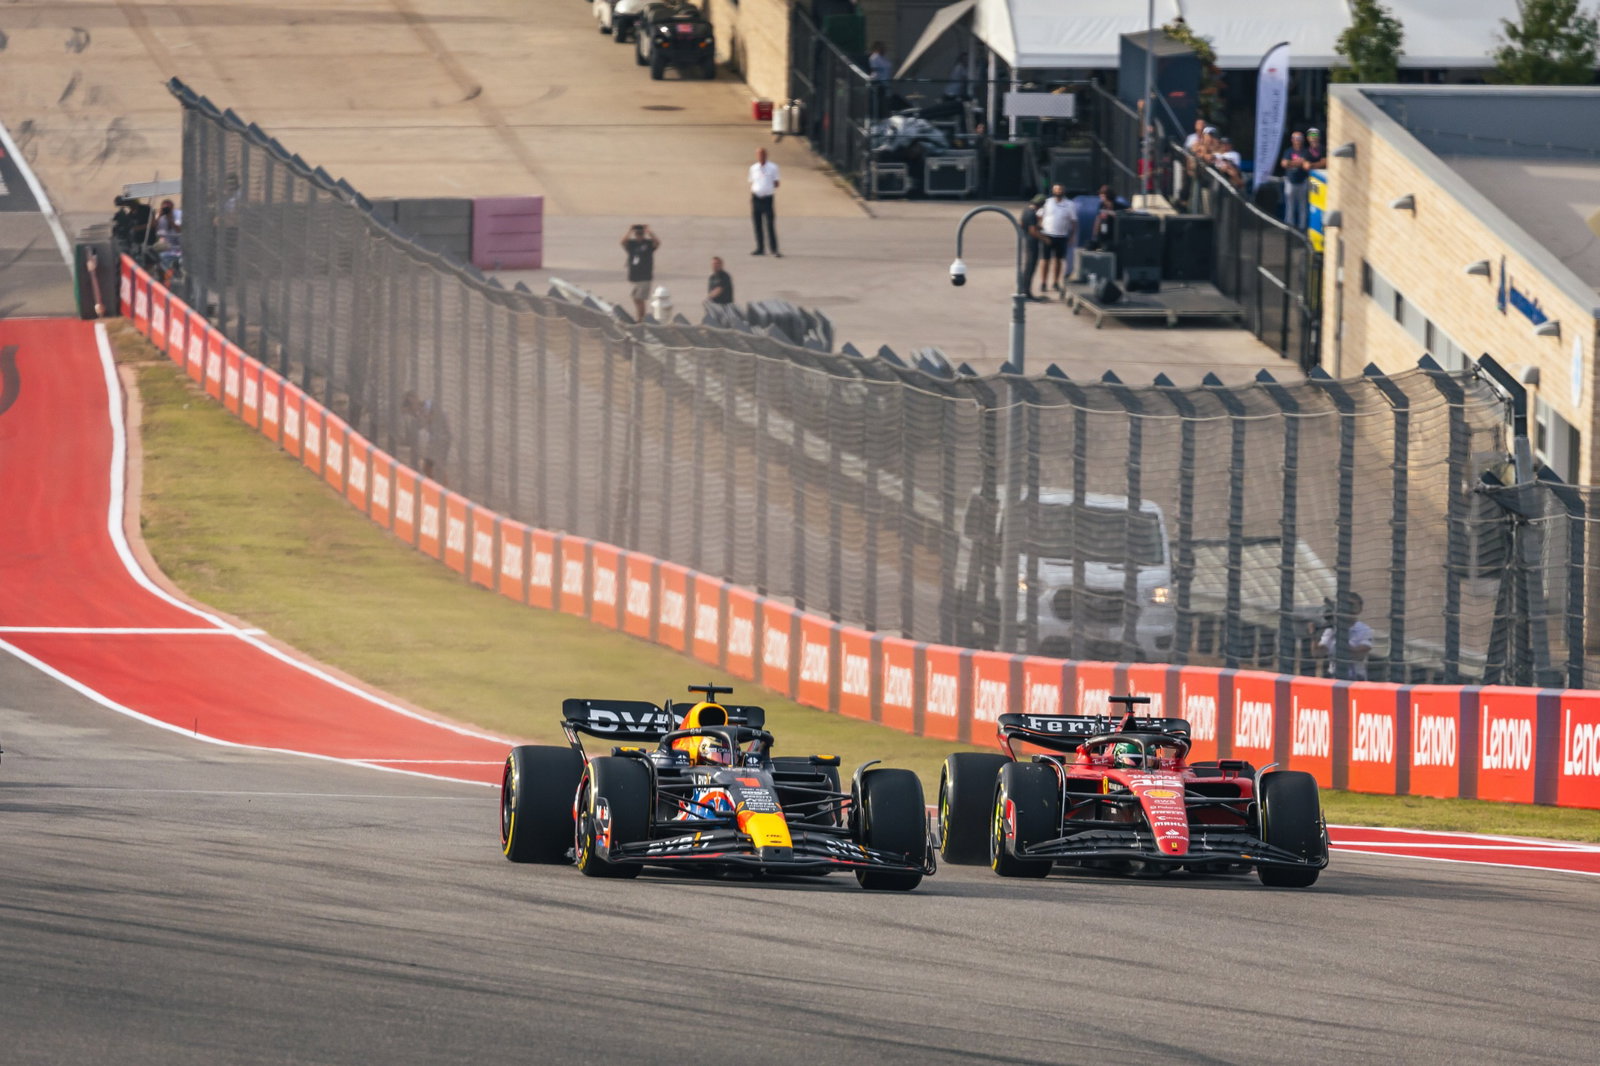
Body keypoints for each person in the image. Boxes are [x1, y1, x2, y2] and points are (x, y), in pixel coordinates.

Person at [1312, 592, 1374, 681]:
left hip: (1355, 678)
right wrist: (1314, 635)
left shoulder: (1364, 630)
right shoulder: (1331, 629)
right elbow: (1317, 654)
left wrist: (1342, 631)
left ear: (1359, 609)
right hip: (1333, 676)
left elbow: (1358, 655)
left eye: (1351, 605)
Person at [401, 391, 453, 484]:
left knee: (438, 466)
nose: (410, 410)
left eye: (410, 404)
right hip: (434, 441)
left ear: (415, 398)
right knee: (428, 467)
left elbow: (436, 421)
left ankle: (444, 488)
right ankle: (434, 486)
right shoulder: (418, 413)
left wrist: (422, 417)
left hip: (443, 439)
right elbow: (422, 426)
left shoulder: (431, 405)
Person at [1038, 183, 1076, 294]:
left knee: (1058, 260)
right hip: (1047, 235)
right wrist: (1040, 229)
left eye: (1060, 190)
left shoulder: (1069, 204)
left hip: (1062, 236)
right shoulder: (1047, 202)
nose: (1058, 192)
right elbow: (1039, 216)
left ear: (1063, 191)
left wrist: (1072, 236)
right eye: (1056, 190)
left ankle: (1055, 282)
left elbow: (1073, 221)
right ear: (1053, 191)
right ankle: (1043, 282)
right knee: (1045, 260)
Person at [620, 223, 660, 321]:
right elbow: (623, 242)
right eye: (638, 234)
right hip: (634, 276)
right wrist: (630, 230)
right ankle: (640, 317)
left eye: (641, 234)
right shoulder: (632, 244)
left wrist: (649, 232)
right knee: (635, 298)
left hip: (645, 276)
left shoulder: (648, 244)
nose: (639, 236)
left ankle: (641, 319)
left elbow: (657, 243)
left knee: (640, 299)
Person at [748, 147, 781, 257]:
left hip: (767, 198)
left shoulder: (772, 167)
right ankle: (760, 248)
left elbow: (776, 182)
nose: (761, 157)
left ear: (766, 156)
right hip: (756, 198)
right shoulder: (753, 168)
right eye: (759, 155)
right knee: (757, 224)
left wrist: (768, 188)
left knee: (770, 223)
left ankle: (774, 248)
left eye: (762, 155)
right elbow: (751, 181)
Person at [1280, 131, 1313, 229]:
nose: (1298, 141)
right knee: (1290, 206)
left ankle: (1302, 228)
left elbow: (1306, 164)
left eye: (1300, 139)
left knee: (1302, 206)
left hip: (1302, 181)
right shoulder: (1288, 151)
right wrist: (1298, 162)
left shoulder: (1306, 151)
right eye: (1296, 138)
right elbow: (1284, 164)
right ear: (1292, 140)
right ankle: (1289, 227)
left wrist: (1291, 163)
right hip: (1290, 181)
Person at [1019, 194, 1045, 300]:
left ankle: (1024, 290)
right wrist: (1045, 239)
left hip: (1027, 241)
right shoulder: (1031, 214)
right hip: (1032, 243)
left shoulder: (1025, 211)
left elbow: (1021, 224)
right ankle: (1026, 292)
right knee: (1030, 268)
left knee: (1028, 268)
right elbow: (1033, 231)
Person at [153, 199, 182, 278]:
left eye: (168, 208)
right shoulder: (159, 216)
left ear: (172, 208)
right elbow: (153, 229)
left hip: (179, 246)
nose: (166, 210)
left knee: (181, 261)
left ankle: (176, 272)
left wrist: (170, 219)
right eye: (164, 208)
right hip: (166, 247)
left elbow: (179, 230)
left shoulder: (178, 214)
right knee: (162, 257)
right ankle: (171, 275)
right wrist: (159, 216)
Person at [1090, 184, 1120, 251]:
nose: (1100, 196)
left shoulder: (1117, 205)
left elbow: (1122, 213)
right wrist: (1095, 232)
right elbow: (1098, 218)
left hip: (1113, 233)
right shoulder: (1101, 205)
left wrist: (1109, 213)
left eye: (1102, 195)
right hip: (1103, 232)